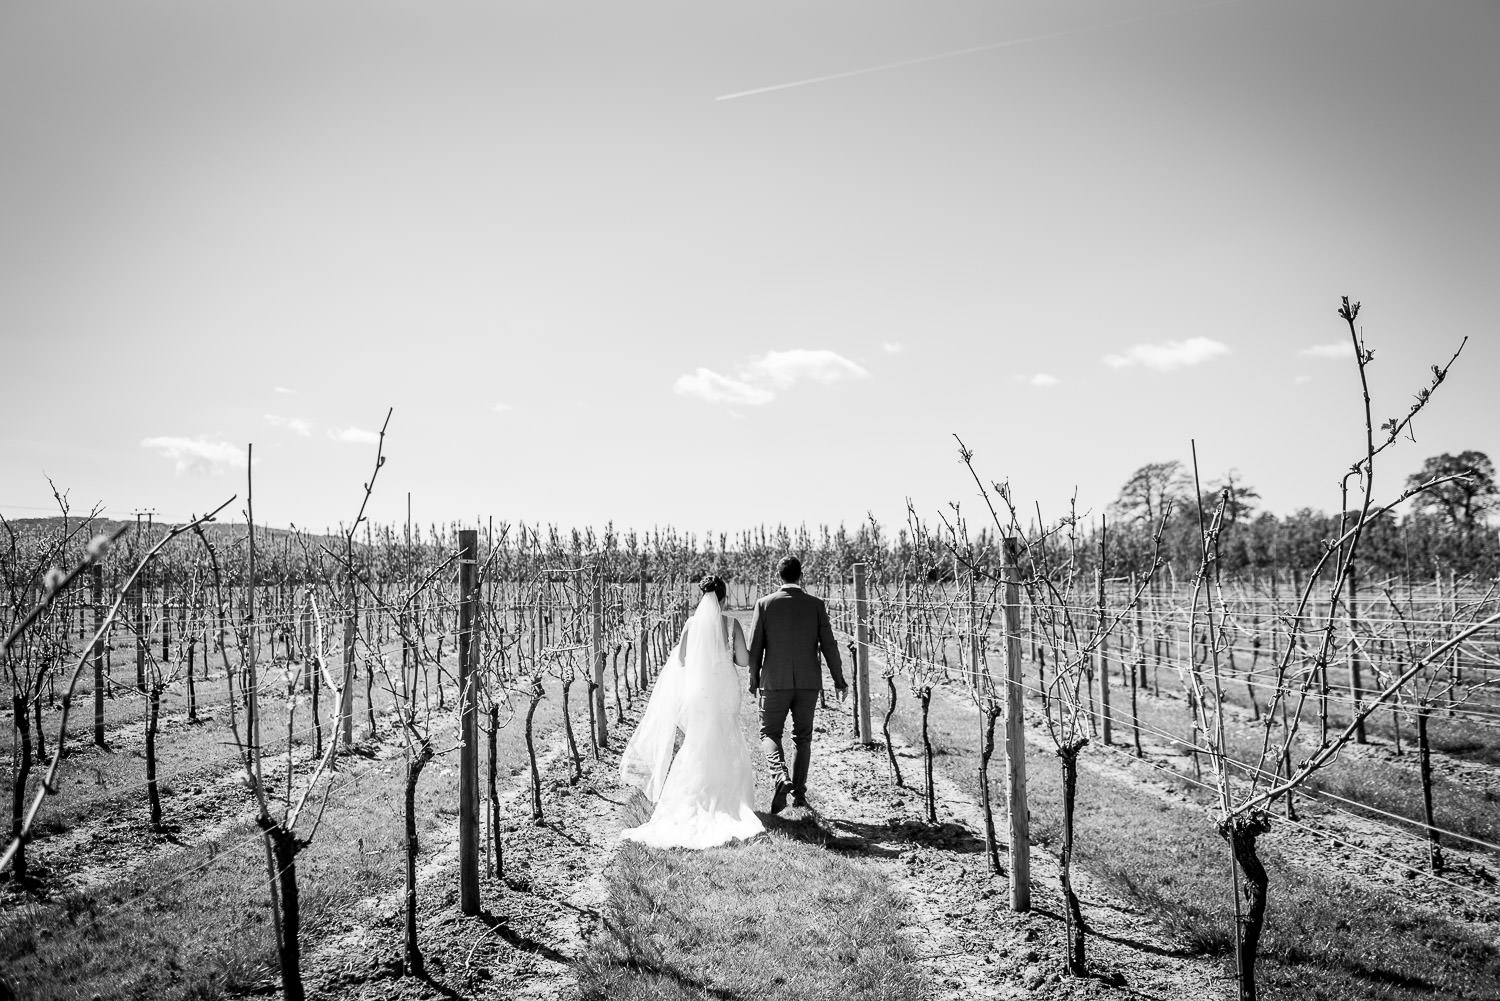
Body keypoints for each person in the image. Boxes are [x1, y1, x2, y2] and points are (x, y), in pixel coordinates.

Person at [618, 574, 763, 848]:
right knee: (726, 737)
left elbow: (683, 659)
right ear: (723, 597)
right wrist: (728, 653)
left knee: (698, 742)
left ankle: (696, 795)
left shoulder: (690, 624)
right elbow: (743, 660)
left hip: (698, 691)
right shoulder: (731, 624)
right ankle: (730, 797)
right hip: (724, 688)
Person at [748, 556, 847, 813]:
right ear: (800, 575)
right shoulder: (815, 605)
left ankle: (780, 777)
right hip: (807, 683)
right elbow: (829, 645)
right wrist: (839, 680)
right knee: (802, 738)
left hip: (775, 681)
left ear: (778, 576)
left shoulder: (765, 604)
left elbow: (755, 647)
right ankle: (799, 796)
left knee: (769, 733)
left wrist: (753, 679)